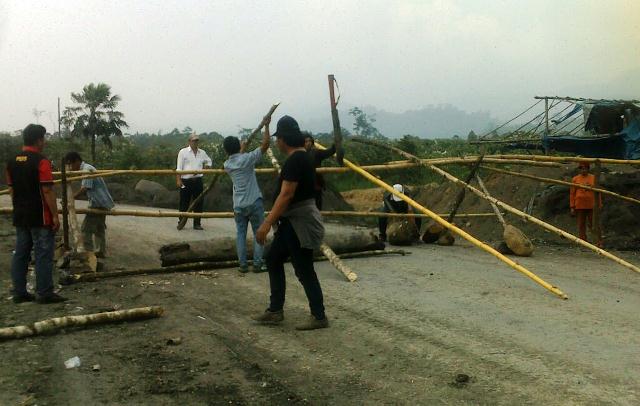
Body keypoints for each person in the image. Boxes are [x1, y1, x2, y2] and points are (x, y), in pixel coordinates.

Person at [254, 115, 328, 331]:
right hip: (291, 222)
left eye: (278, 139)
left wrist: (267, 223)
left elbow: (286, 195)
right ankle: (275, 310)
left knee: (303, 268)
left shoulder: (296, 160)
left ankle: (319, 315)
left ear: (284, 139)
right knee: (273, 258)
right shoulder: (302, 157)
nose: (276, 143)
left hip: (299, 221)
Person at [5, 124, 67, 304]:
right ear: (39, 140)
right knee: (43, 254)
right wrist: (55, 216)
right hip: (40, 216)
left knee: (21, 253)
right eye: (44, 138)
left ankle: (19, 291)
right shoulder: (41, 161)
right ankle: (44, 292)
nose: (44, 142)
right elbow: (47, 190)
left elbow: (12, 191)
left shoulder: (11, 161)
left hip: (21, 215)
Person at [223, 116, 271, 274]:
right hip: (253, 202)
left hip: (238, 205)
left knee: (241, 235)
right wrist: (266, 126)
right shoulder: (248, 159)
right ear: (239, 146)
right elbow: (265, 145)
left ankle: (242, 265)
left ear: (226, 150)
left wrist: (241, 149)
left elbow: (237, 158)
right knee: (259, 232)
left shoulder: (227, 165)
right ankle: (257, 264)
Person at [64, 152, 115, 258]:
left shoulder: (86, 169)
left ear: (77, 161)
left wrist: (71, 197)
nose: (71, 168)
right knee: (99, 228)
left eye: (70, 164)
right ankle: (100, 251)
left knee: (86, 229)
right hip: (102, 202)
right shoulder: (87, 168)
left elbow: (85, 188)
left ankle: (88, 254)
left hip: (98, 203)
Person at [176, 133, 212, 230]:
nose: (196, 142)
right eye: (194, 140)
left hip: (198, 180)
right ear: (189, 141)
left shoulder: (202, 153)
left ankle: (197, 223)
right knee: (184, 202)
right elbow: (179, 167)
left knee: (199, 202)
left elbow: (209, 161)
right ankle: (181, 221)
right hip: (186, 180)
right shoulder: (183, 152)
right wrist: (178, 179)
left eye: (197, 141)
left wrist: (206, 167)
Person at [570, 162, 602, 245]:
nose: (583, 170)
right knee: (581, 224)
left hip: (592, 205)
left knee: (594, 224)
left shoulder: (593, 178)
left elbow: (598, 192)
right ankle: (583, 241)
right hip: (580, 205)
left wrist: (599, 204)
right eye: (581, 168)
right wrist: (572, 206)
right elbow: (572, 193)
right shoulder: (575, 179)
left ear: (588, 169)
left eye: (585, 168)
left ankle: (598, 242)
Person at [303, 133, 336, 209]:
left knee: (317, 208)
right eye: (306, 141)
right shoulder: (298, 154)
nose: (308, 143)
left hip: (316, 186)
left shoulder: (316, 153)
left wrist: (335, 145)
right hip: (304, 188)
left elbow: (329, 152)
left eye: (309, 141)